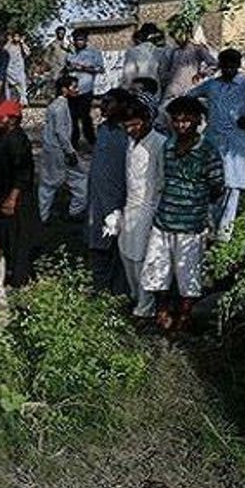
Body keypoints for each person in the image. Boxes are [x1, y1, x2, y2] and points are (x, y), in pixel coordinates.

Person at [141, 96, 223, 332]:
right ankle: (162, 314)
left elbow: (217, 185)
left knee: (189, 276)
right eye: (176, 121)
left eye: (187, 121)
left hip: (191, 225)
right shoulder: (167, 146)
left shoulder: (208, 150)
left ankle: (185, 317)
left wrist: (196, 203)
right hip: (163, 220)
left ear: (198, 121)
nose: (181, 125)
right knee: (158, 270)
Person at [181, 48, 245, 240]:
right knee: (212, 185)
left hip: (236, 144)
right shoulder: (212, 85)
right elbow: (189, 96)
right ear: (220, 65)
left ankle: (224, 237)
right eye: (225, 65)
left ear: (238, 65)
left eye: (233, 65)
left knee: (232, 189)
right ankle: (207, 233)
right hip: (213, 142)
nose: (229, 69)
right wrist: (204, 110)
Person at [108, 96, 167, 319]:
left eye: (135, 124)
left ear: (147, 121)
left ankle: (145, 307)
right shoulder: (130, 143)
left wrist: (157, 214)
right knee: (127, 254)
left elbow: (162, 181)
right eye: (127, 126)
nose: (131, 129)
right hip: (130, 208)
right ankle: (136, 297)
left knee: (143, 259)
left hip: (149, 209)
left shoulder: (159, 143)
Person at [0, 100, 40, 287]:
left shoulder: (17, 141)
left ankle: (20, 279)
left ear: (12, 120)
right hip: (3, 193)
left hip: (17, 198)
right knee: (8, 236)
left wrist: (12, 198)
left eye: (0, 117)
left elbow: (22, 172)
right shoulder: (3, 136)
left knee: (19, 238)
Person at [86, 89, 130, 293]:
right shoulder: (104, 130)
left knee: (118, 245)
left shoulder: (129, 134)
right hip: (97, 198)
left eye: (109, 103)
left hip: (119, 200)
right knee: (98, 243)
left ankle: (118, 290)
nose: (104, 107)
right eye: (103, 102)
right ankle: (100, 288)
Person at [38, 75, 87, 223]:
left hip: (53, 149)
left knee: (49, 183)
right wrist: (69, 151)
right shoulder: (59, 107)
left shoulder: (57, 105)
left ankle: (45, 214)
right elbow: (60, 132)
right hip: (59, 150)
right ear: (64, 89)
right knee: (78, 177)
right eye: (73, 87)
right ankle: (74, 209)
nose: (76, 90)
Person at [64, 31, 105, 147]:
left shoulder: (94, 53)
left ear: (86, 40)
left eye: (81, 39)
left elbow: (101, 69)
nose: (79, 42)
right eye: (77, 39)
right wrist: (69, 68)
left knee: (85, 116)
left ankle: (91, 141)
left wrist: (84, 68)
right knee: (72, 118)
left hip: (85, 89)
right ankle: (74, 142)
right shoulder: (70, 53)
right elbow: (66, 68)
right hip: (71, 91)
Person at [163, 26, 216, 100]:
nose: (176, 39)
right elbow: (166, 69)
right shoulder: (175, 52)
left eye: (178, 36)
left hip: (188, 89)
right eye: (174, 36)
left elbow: (214, 65)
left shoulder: (198, 49)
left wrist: (201, 74)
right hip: (172, 90)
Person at [121, 23, 167, 89]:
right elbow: (164, 75)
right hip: (155, 90)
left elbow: (127, 76)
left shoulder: (132, 51)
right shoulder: (162, 52)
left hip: (137, 89)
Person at [5, 31, 30, 106]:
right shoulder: (9, 46)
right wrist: (9, 41)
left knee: (22, 85)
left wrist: (22, 43)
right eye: (15, 36)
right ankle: (7, 101)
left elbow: (27, 53)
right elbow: (4, 51)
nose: (16, 38)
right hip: (9, 70)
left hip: (19, 70)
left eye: (18, 36)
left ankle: (23, 101)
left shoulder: (22, 45)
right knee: (8, 87)